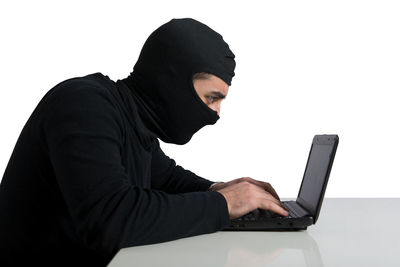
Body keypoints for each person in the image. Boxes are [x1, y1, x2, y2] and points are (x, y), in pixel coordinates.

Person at [0, 18, 288, 265]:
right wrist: (223, 204)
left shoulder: (132, 121)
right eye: (211, 98)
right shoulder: (84, 105)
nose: (215, 112)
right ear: (172, 80)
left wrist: (220, 189)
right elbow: (110, 220)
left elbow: (165, 177)